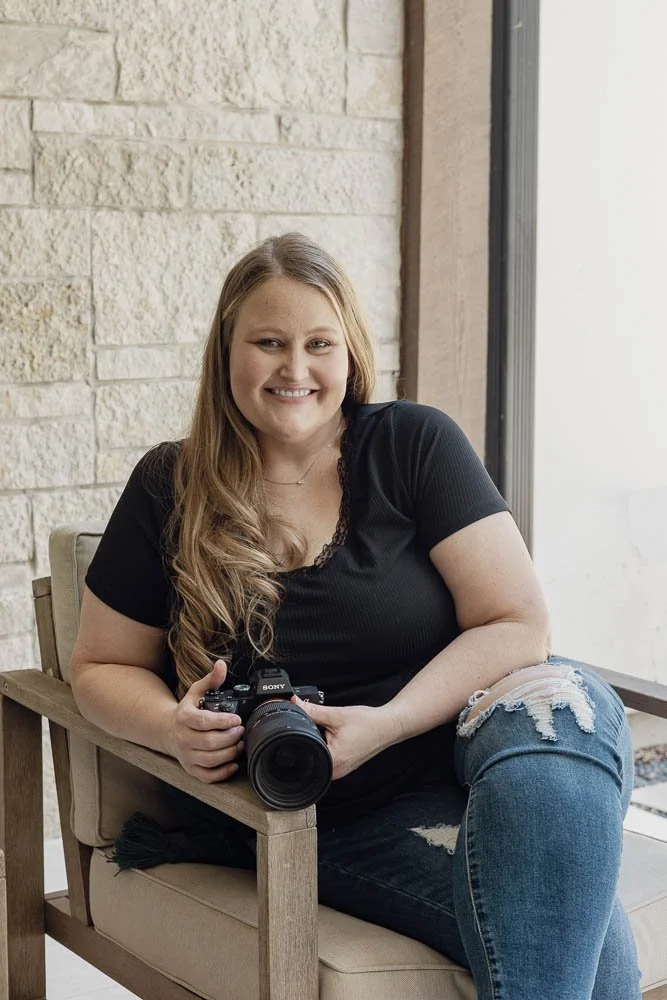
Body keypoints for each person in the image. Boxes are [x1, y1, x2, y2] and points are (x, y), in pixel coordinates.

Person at [70, 232, 641, 999]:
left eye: (318, 344)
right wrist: (171, 729)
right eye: (268, 342)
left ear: (349, 352)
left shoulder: (412, 442)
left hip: (463, 746)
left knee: (560, 704)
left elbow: (516, 624)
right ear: (225, 352)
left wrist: (392, 720)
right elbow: (98, 666)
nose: (295, 369)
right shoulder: (169, 484)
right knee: (584, 943)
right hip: (319, 807)